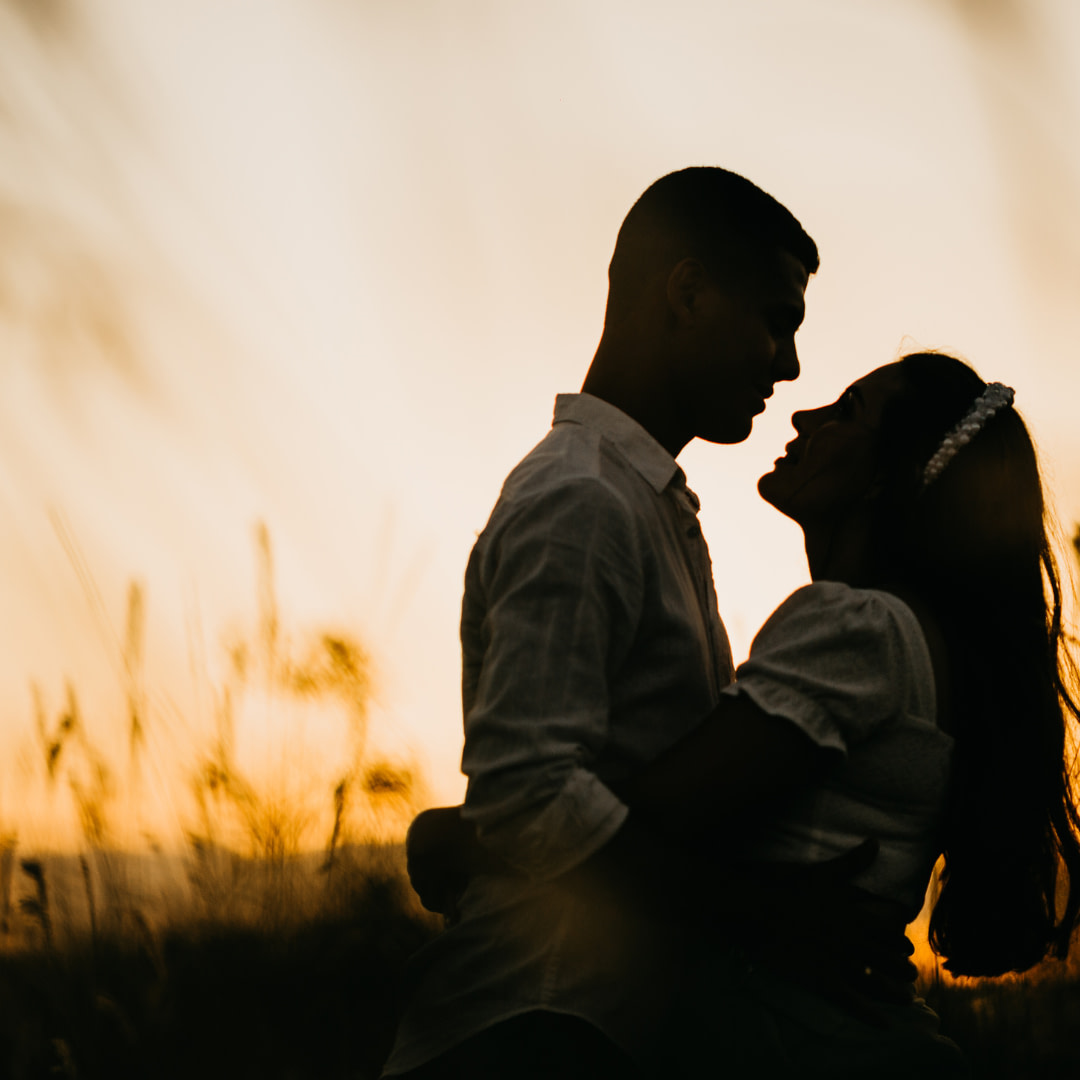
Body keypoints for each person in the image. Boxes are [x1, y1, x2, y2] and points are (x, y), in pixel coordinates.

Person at [413, 352, 1080, 1077]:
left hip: (799, 1042)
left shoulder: (857, 630)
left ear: (890, 475)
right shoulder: (919, 640)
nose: (803, 415)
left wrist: (466, 834)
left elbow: (655, 818)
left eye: (847, 410)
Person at [379, 166, 818, 1079]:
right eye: (777, 320)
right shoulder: (580, 500)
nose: (789, 364)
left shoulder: (641, 500)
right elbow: (534, 790)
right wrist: (751, 914)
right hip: (529, 1025)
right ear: (689, 292)